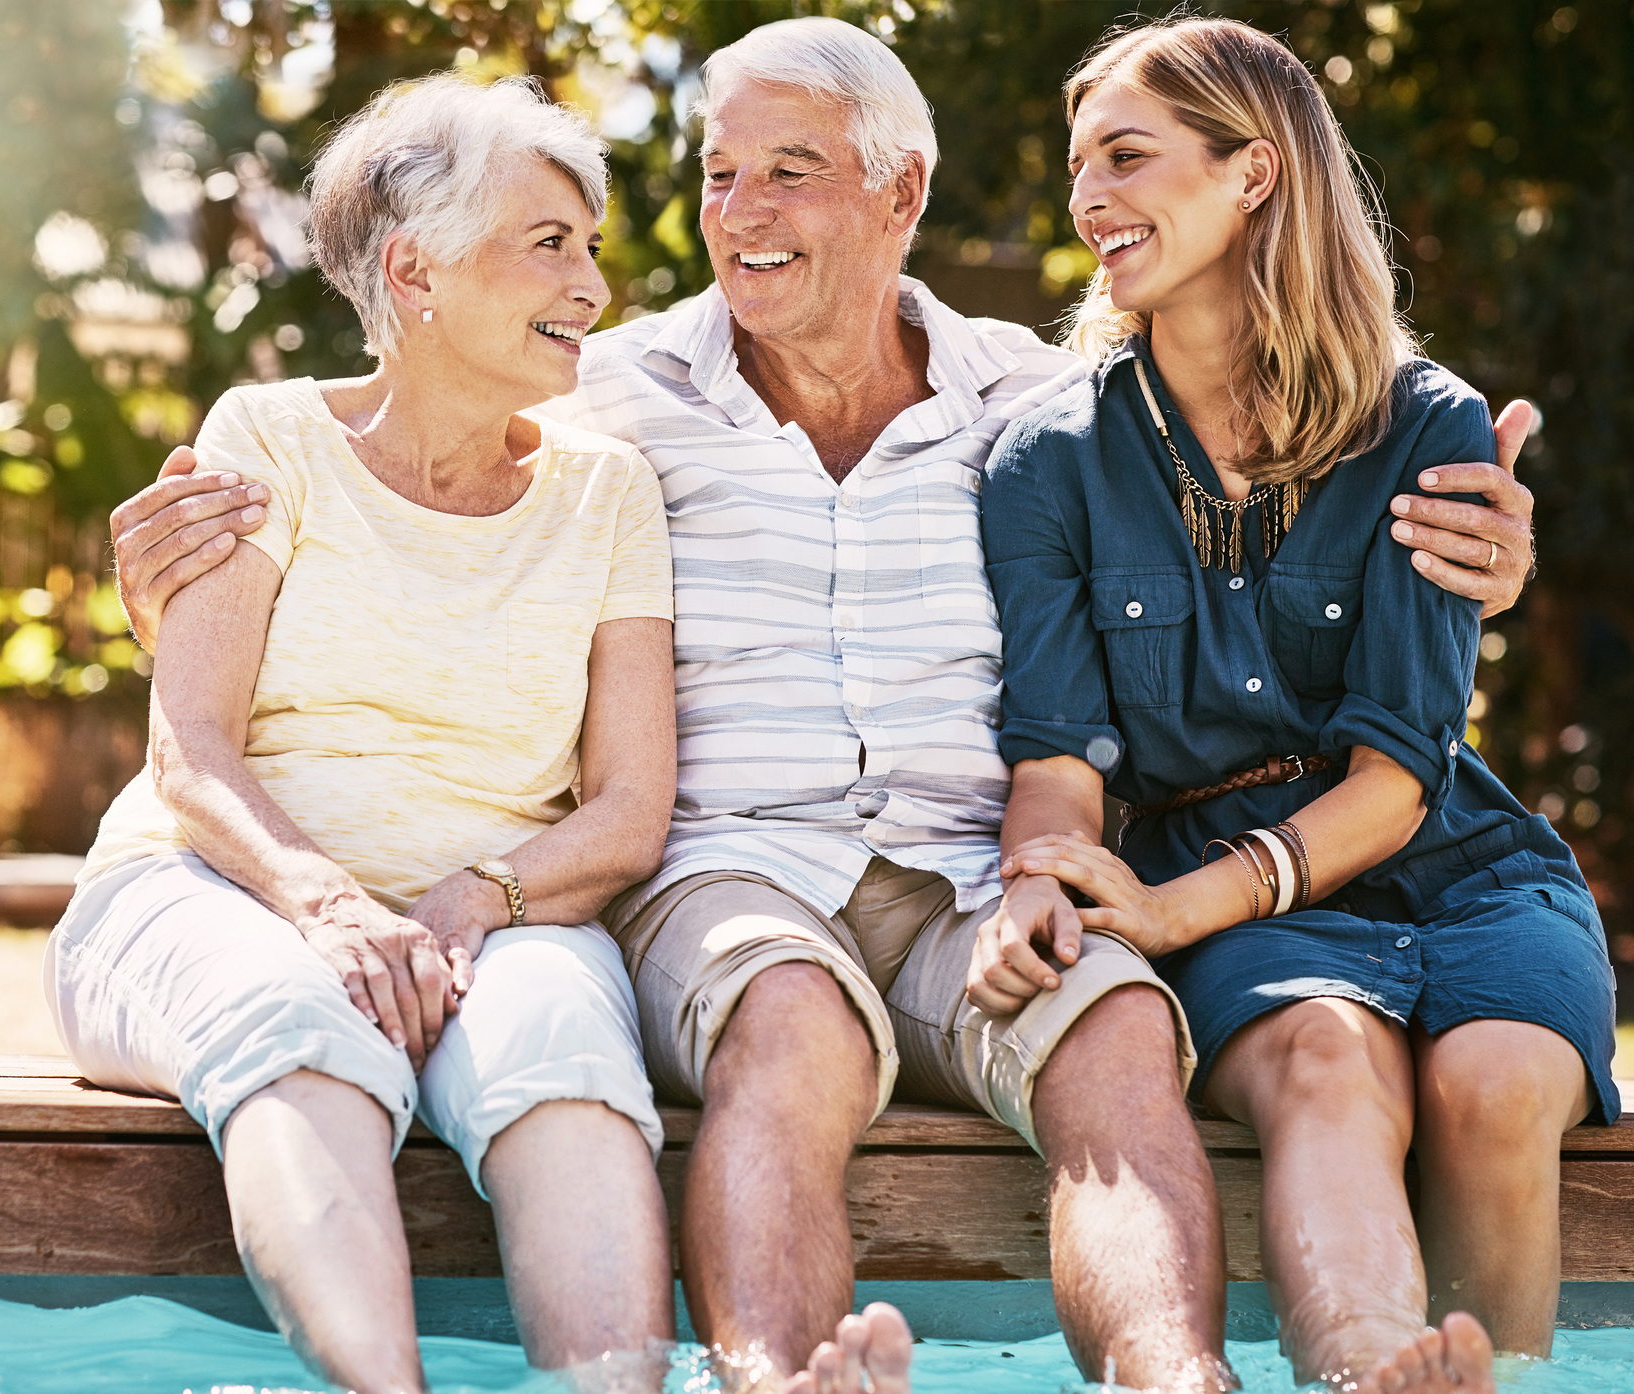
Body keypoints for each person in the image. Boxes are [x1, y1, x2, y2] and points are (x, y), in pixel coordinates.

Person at [107, 20, 1539, 1394]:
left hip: (981, 865)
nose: (741, 210)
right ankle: (782, 1382)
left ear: (899, 189)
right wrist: (164, 580)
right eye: (720, 175)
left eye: (789, 168)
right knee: (789, 1027)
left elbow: (1270, 539)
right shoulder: (604, 389)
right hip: (734, 868)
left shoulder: (1035, 403)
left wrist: (1488, 552)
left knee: (1110, 1033)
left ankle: (1175, 1379)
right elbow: (398, 481)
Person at [980, 18, 1616, 1394]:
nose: (1089, 198)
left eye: (1127, 156)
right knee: (1327, 1063)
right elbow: (1057, 752)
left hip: (1458, 863)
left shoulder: (1427, 423)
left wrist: (1173, 910)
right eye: (1078, 164)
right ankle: (1371, 1368)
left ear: (1254, 173)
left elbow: (1398, 775)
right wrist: (1058, 876)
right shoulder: (1047, 459)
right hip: (1225, 884)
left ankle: (1486, 1378)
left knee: (1497, 1088)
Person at [46, 75, 681, 1394]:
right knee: (299, 1013)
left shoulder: (608, 489)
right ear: (417, 270)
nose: (593, 287)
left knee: (560, 1050)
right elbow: (193, 752)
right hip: (221, 884)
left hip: (499, 915)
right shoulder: (266, 437)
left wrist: (482, 893)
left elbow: (628, 807)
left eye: (592, 249)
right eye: (550, 244)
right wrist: (330, 904)